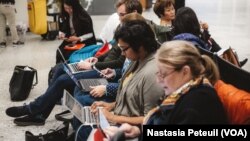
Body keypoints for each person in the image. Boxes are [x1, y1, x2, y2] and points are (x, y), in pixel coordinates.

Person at [104, 40, 229, 140]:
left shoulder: (197, 105)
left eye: (163, 75)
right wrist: (138, 131)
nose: (158, 81)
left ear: (185, 72)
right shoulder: (187, 92)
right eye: (158, 74)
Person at [74, 20, 165, 141]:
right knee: (83, 119)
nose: (122, 53)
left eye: (124, 49)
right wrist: (111, 106)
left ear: (140, 46)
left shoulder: (152, 73)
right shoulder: (138, 60)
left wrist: (113, 118)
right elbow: (132, 99)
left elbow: (149, 120)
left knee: (84, 130)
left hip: (128, 129)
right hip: (120, 117)